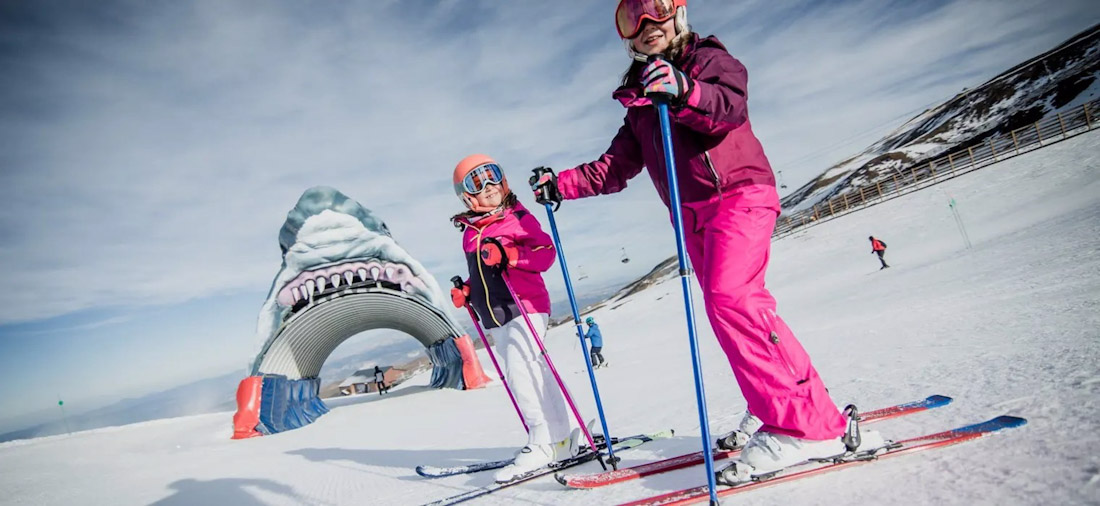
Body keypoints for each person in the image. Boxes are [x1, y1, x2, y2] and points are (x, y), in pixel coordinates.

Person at [528, 0, 881, 480]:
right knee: (728, 311)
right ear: (625, 35)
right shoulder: (639, 103)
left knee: (733, 299)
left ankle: (804, 427)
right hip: (691, 215)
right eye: (633, 17)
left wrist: (683, 91)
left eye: (655, 8)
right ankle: (780, 403)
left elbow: (727, 108)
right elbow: (615, 166)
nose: (647, 23)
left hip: (737, 195)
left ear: (678, 13)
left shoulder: (709, 61)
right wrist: (561, 183)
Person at [448, 154, 579, 482]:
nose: (489, 185)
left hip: (526, 305)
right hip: (495, 314)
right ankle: (563, 437)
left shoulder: (517, 217)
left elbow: (545, 253)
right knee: (537, 371)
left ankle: (540, 440)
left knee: (520, 369)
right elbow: (482, 274)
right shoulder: (470, 231)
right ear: (466, 195)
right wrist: (467, 291)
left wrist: (510, 255)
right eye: (477, 181)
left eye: (492, 175)